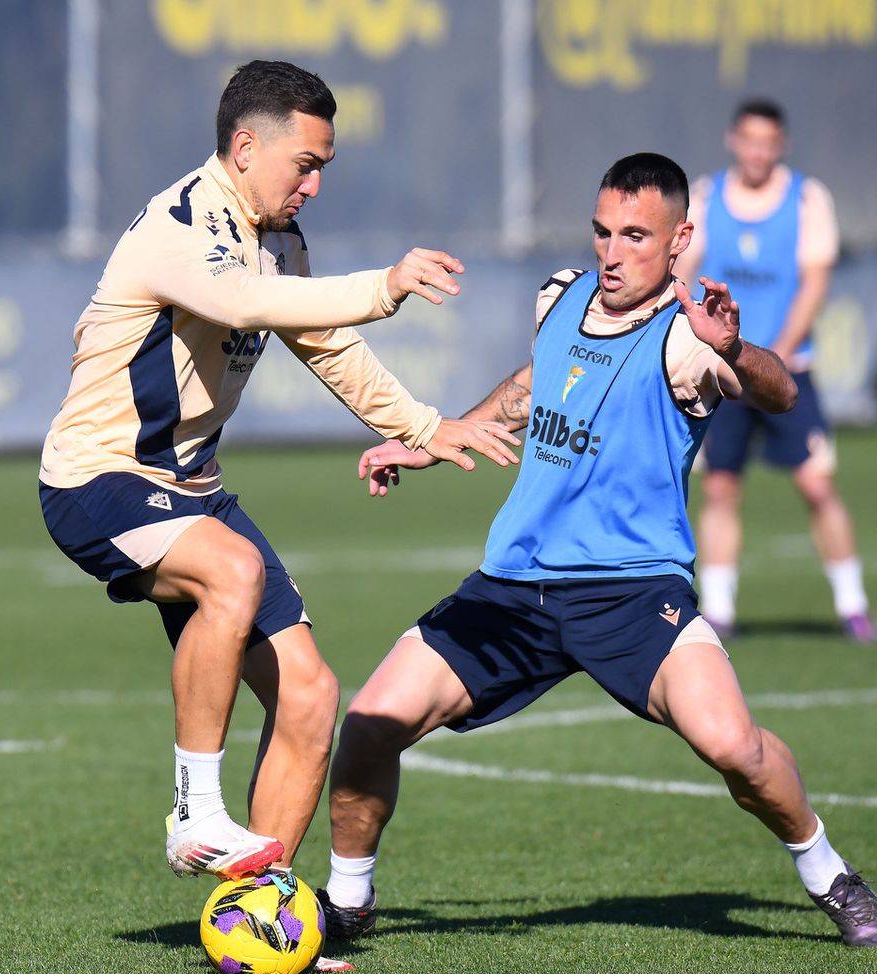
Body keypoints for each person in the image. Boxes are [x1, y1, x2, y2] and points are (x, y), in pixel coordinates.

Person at [317, 153, 877, 950]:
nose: (612, 251)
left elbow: (781, 392)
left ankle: (830, 875)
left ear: (679, 238)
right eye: (602, 231)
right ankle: (347, 903)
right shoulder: (559, 296)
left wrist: (734, 348)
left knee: (733, 745)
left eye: (635, 235)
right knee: (370, 722)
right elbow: (538, 380)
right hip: (514, 590)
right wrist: (439, 436)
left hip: (630, 592)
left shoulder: (688, 342)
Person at [38, 60, 518, 883]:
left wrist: (423, 426)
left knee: (310, 698)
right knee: (232, 574)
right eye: (308, 165)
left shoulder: (279, 239)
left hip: (191, 488)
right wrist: (385, 284)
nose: (315, 186)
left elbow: (324, 343)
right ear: (246, 146)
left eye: (325, 168)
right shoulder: (181, 225)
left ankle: (261, 909)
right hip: (96, 477)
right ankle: (195, 812)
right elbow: (248, 306)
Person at [673, 99, 877, 642]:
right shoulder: (709, 196)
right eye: (749, 140)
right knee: (720, 487)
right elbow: (684, 271)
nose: (758, 152)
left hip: (789, 370)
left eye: (768, 142)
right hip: (723, 374)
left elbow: (814, 281)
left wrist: (777, 354)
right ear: (733, 140)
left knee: (816, 484)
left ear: (779, 145)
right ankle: (718, 610)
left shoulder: (807, 200)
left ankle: (852, 604)